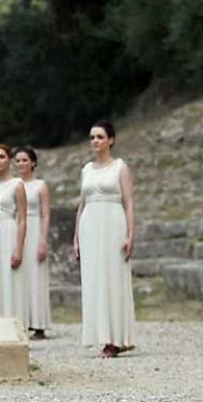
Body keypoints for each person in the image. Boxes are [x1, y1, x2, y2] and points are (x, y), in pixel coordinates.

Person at [73, 120, 136, 358]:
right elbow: (81, 205)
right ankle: (101, 336)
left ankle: (116, 339)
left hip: (113, 223)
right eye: (92, 137)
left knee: (113, 278)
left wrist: (131, 234)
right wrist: (76, 237)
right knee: (94, 280)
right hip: (90, 225)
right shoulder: (86, 170)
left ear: (111, 140)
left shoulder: (120, 168)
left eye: (100, 137)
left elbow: (129, 202)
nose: (95, 141)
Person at [0, 144, 28, 329]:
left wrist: (18, 248)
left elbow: (22, 219)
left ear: (8, 159)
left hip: (7, 232)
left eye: (1, 156)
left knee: (9, 281)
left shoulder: (17, 185)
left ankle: (12, 329)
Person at [14, 146, 52, 339]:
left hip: (35, 227)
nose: (21, 164)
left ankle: (39, 323)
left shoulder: (40, 185)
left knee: (36, 276)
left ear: (33, 163)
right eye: (18, 160)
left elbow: (46, 215)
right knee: (21, 276)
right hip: (19, 230)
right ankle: (22, 319)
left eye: (24, 160)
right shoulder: (14, 184)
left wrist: (43, 240)